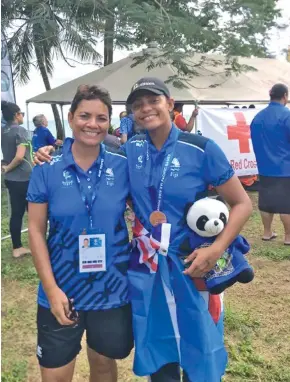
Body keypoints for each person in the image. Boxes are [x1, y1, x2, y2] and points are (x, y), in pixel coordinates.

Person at [35, 77, 253, 382]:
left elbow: (242, 203)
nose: (146, 108)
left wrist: (215, 249)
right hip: (148, 268)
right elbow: (93, 162)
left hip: (193, 265)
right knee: (158, 351)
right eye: (138, 104)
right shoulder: (131, 150)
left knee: (200, 348)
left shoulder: (202, 148)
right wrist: (50, 154)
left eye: (154, 101)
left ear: (171, 104)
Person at [27, 85, 133, 382]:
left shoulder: (122, 166)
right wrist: (51, 289)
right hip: (61, 290)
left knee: (102, 364)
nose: (92, 124)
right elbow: (35, 230)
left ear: (109, 123)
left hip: (111, 290)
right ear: (71, 118)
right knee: (56, 375)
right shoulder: (47, 167)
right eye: (84, 115)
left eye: (101, 118)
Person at [250, 83, 290, 245]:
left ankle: (267, 233)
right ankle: (288, 236)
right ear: (285, 96)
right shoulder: (286, 116)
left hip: (264, 167)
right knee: (286, 204)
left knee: (266, 201)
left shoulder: (258, 117)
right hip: (285, 167)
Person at [1, 101, 33, 258]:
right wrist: (8, 167)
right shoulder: (21, 130)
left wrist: (5, 168)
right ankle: (38, 244)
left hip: (11, 180)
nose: (22, 117)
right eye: (22, 114)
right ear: (16, 115)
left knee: (17, 213)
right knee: (34, 213)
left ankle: (17, 247)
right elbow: (20, 157)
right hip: (24, 178)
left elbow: (6, 155)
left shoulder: (3, 131)